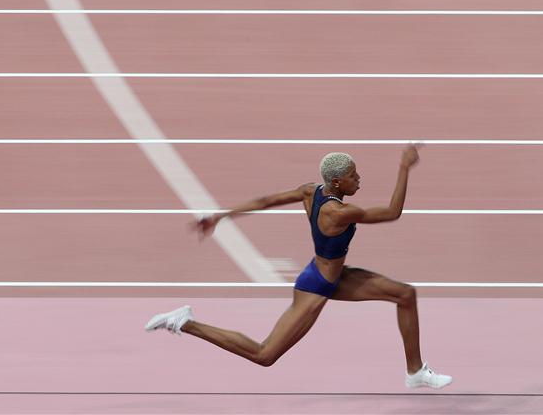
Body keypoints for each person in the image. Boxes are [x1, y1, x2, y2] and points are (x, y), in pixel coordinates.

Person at [145, 145, 452, 389]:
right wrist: (404, 167)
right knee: (264, 354)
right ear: (337, 182)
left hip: (335, 276)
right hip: (316, 285)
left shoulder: (311, 192)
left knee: (405, 294)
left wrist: (221, 215)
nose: (359, 178)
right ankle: (184, 322)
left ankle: (415, 372)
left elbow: (266, 200)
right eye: (353, 175)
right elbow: (391, 213)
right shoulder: (338, 212)